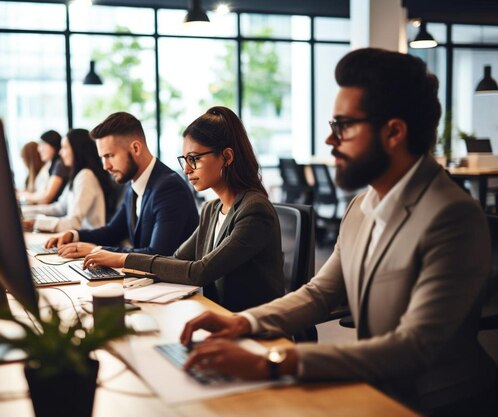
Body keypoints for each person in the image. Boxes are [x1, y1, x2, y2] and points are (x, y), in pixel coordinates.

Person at [178, 48, 495, 417]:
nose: (330, 142)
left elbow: (413, 348)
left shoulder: (452, 216)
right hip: (373, 388)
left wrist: (276, 361)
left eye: (342, 127)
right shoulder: (361, 207)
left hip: (440, 403)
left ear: (394, 132)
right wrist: (242, 322)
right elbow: (319, 293)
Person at [82, 106, 285, 312]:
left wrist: (122, 258)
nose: (186, 169)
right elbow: (177, 258)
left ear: (227, 157)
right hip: (218, 316)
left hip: (254, 327)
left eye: (194, 158)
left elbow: (200, 271)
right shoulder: (212, 209)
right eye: (185, 159)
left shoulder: (254, 210)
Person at [45, 112, 199, 258]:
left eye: (110, 156)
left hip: (174, 285)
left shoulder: (169, 187)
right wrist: (74, 235)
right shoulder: (132, 184)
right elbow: (113, 231)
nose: (105, 166)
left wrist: (96, 251)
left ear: (136, 148)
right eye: (102, 158)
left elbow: (158, 254)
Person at [22, 129, 116, 233]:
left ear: (77, 149)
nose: (60, 152)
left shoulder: (86, 176)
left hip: (88, 241)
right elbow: (58, 208)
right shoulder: (77, 175)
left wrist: (35, 223)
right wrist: (24, 212)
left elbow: (74, 222)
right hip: (77, 239)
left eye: (65, 147)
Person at [17, 130, 69, 204]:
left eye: (43, 144)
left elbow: (46, 197)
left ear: (53, 145)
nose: (39, 149)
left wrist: (24, 195)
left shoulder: (59, 164)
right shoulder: (51, 165)